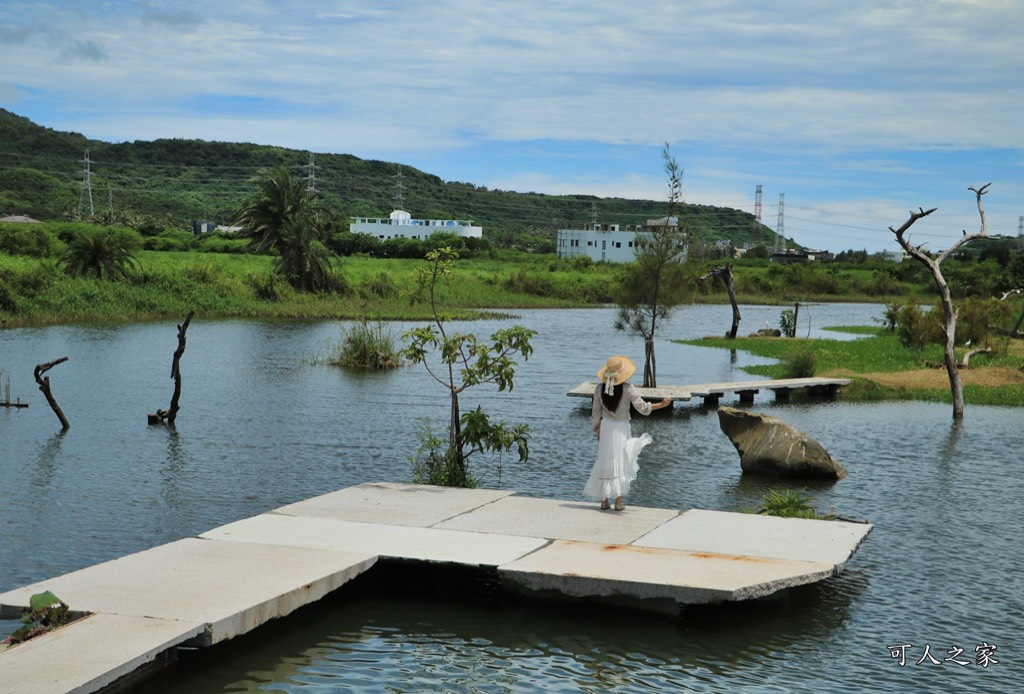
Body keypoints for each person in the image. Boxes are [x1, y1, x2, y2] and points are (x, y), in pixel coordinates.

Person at [584, 355, 672, 511]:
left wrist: (597, 427)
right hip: (621, 429)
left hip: (606, 428)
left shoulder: (598, 389)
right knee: (621, 462)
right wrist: (662, 404)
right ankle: (618, 502)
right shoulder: (628, 388)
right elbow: (643, 408)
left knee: (605, 461)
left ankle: (604, 501)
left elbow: (595, 413)